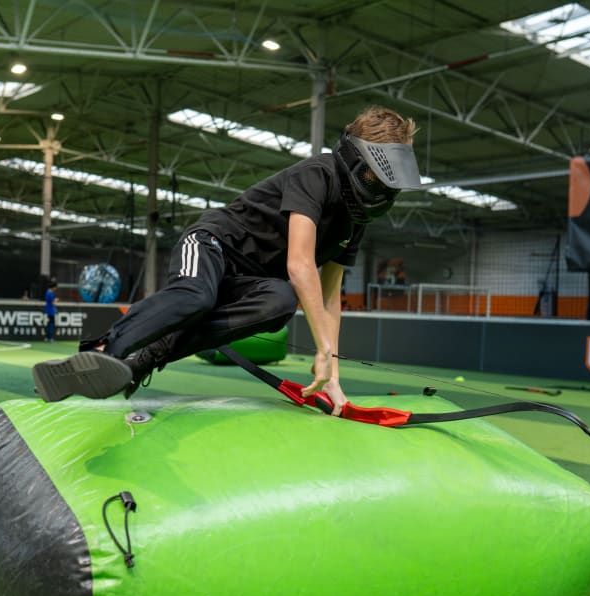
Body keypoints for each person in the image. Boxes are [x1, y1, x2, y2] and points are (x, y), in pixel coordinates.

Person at [33, 105, 421, 411]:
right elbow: (300, 264)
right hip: (211, 244)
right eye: (375, 176)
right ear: (356, 160)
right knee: (195, 296)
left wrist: (332, 374)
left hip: (248, 283)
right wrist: (320, 349)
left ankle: (145, 359)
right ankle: (103, 350)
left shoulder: (354, 222)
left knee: (280, 303)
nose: (381, 187)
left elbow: (330, 300)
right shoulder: (318, 175)